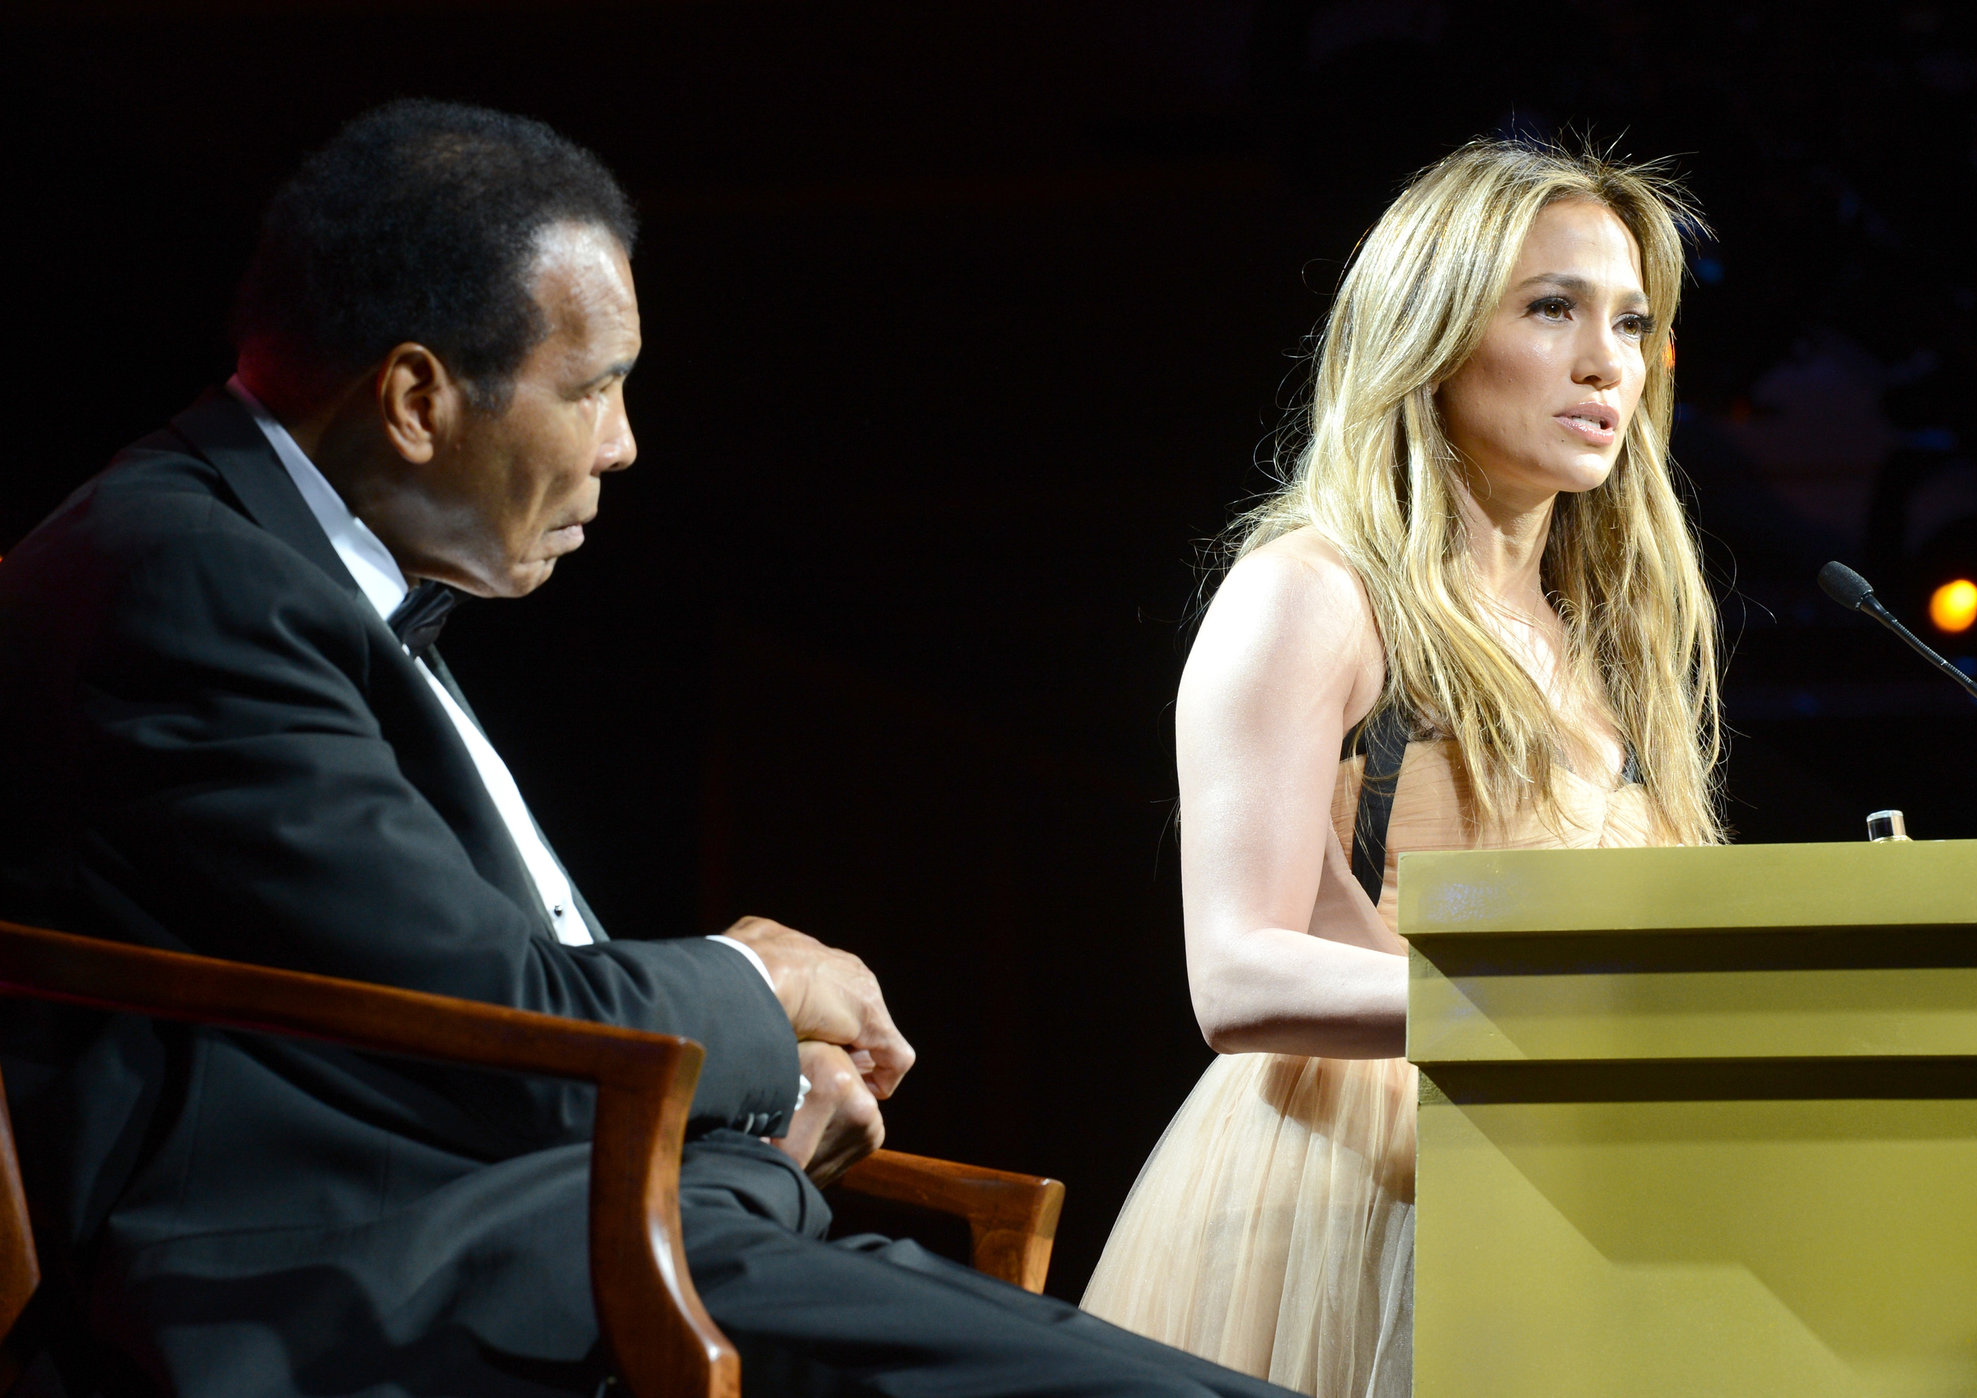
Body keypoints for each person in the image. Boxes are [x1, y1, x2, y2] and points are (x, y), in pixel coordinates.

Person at [0, 99, 1302, 1398]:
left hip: (539, 1232)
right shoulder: (181, 572)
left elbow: (489, 1022)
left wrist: (748, 1116)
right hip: (344, 1287)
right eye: (591, 386)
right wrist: (755, 988)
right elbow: (507, 1033)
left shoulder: (275, 571)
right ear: (413, 397)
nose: (623, 442)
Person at [1078, 138, 1725, 1396]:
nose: (1610, 362)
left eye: (1634, 322)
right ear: (1429, 332)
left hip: (1564, 1180)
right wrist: (1540, 1016)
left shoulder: (1603, 650)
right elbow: (1236, 971)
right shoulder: (1311, 598)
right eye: (1552, 308)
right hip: (1359, 1193)